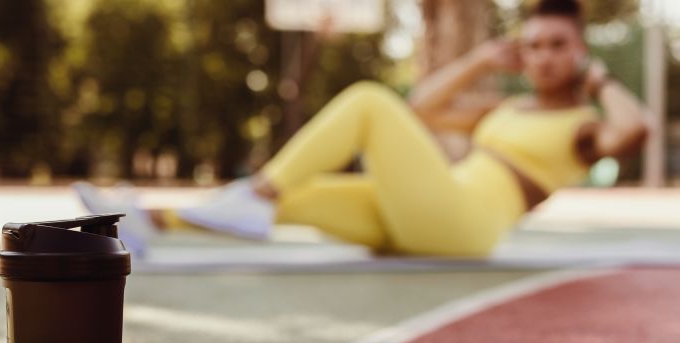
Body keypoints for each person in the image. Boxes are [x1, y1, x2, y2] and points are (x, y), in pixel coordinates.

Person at [74, 0, 650, 258]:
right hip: (426, 211)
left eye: (557, 46)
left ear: (578, 51)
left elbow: (637, 128)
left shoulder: (583, 127)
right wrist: (480, 61)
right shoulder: (501, 110)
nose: (543, 56)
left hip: (465, 225)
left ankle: (255, 191)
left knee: (370, 101)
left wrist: (595, 78)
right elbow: (422, 106)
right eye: (534, 46)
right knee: (303, 195)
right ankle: (142, 223)